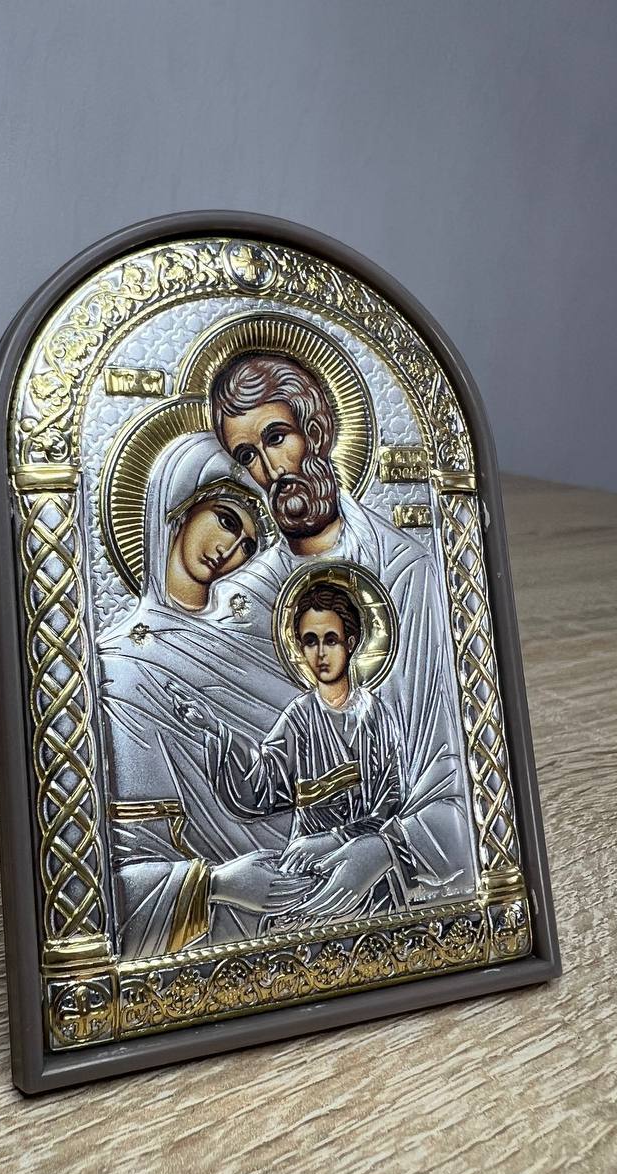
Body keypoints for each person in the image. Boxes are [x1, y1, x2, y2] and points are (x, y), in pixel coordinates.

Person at [206, 352, 476, 899]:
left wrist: (376, 845)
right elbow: (263, 783)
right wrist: (217, 741)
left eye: (277, 437)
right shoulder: (241, 597)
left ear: (316, 431)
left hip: (383, 872)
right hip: (296, 872)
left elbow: (444, 770)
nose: (271, 469)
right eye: (248, 456)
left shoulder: (406, 571)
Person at [98, 431, 314, 957]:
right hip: (227, 927)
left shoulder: (256, 642)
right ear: (183, 502)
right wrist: (217, 885)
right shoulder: (118, 667)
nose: (231, 551)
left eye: (249, 546)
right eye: (226, 520)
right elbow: (116, 875)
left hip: (316, 882)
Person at [167, 580, 411, 922]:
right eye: (310, 641)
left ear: (351, 642)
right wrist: (216, 730)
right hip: (307, 873)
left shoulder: (376, 718)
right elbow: (262, 785)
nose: (320, 654)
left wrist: (334, 839)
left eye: (331, 640)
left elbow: (392, 805)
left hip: (368, 876)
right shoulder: (299, 717)